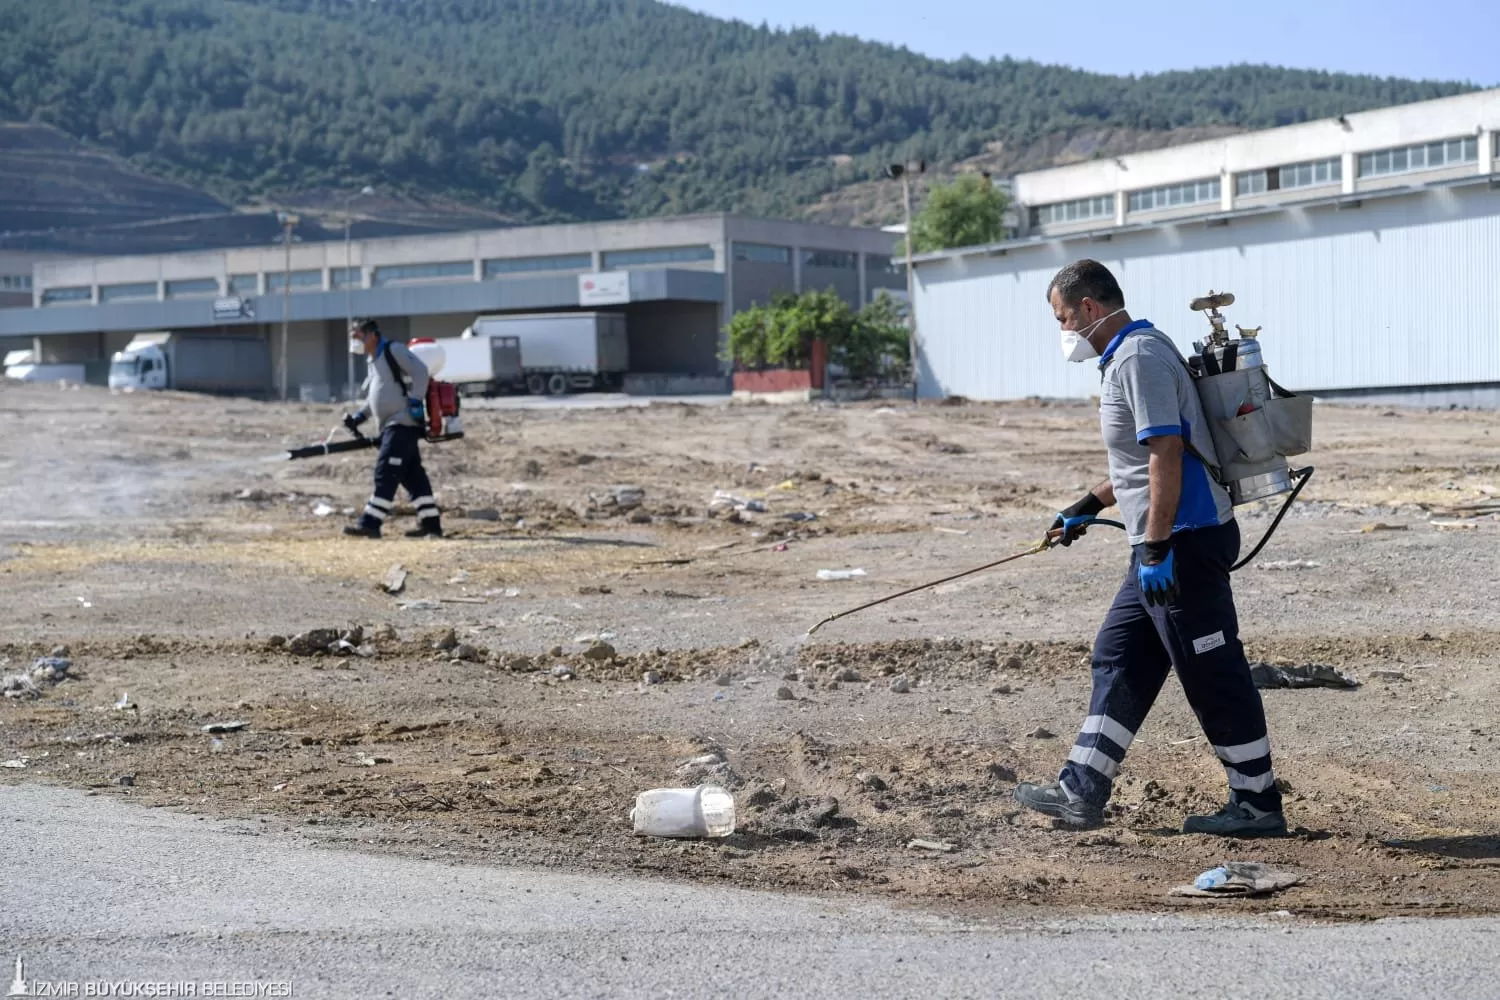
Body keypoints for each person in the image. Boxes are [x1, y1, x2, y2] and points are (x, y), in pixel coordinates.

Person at [1012, 259, 1285, 837]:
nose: (1064, 332)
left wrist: (1156, 547)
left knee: (1212, 673)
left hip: (1182, 542)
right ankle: (1080, 789)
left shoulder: (1138, 357)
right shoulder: (1127, 357)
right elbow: (1142, 461)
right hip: (1159, 545)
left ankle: (1258, 804)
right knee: (1118, 655)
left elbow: (1166, 452)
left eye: (1063, 318)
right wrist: (1088, 504)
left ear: (1089, 308)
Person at [341, 319, 443, 539]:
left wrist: (415, 399)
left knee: (386, 471)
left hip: (402, 423)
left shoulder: (392, 350)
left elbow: (420, 372)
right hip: (390, 426)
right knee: (413, 476)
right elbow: (376, 395)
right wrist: (359, 417)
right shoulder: (373, 360)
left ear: (373, 335)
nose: (354, 341)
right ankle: (431, 524)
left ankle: (371, 523)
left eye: (358, 336)